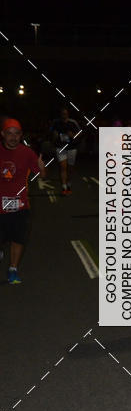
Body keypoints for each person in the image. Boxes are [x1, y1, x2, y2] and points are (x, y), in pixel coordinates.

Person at [0, 118, 46, 284]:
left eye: (16, 134)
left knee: (18, 239)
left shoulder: (27, 152)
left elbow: (42, 175)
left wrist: (41, 167)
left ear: (21, 135)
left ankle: (13, 269)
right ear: (3, 134)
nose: (13, 137)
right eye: (9, 133)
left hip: (20, 204)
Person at [50, 106, 81, 195]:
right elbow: (51, 132)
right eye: (62, 113)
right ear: (60, 114)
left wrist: (73, 135)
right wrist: (54, 135)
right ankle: (64, 187)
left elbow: (79, 133)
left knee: (70, 168)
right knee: (63, 167)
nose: (64, 115)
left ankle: (69, 184)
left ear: (68, 114)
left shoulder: (73, 122)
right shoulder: (56, 123)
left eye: (66, 113)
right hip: (60, 147)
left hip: (71, 148)